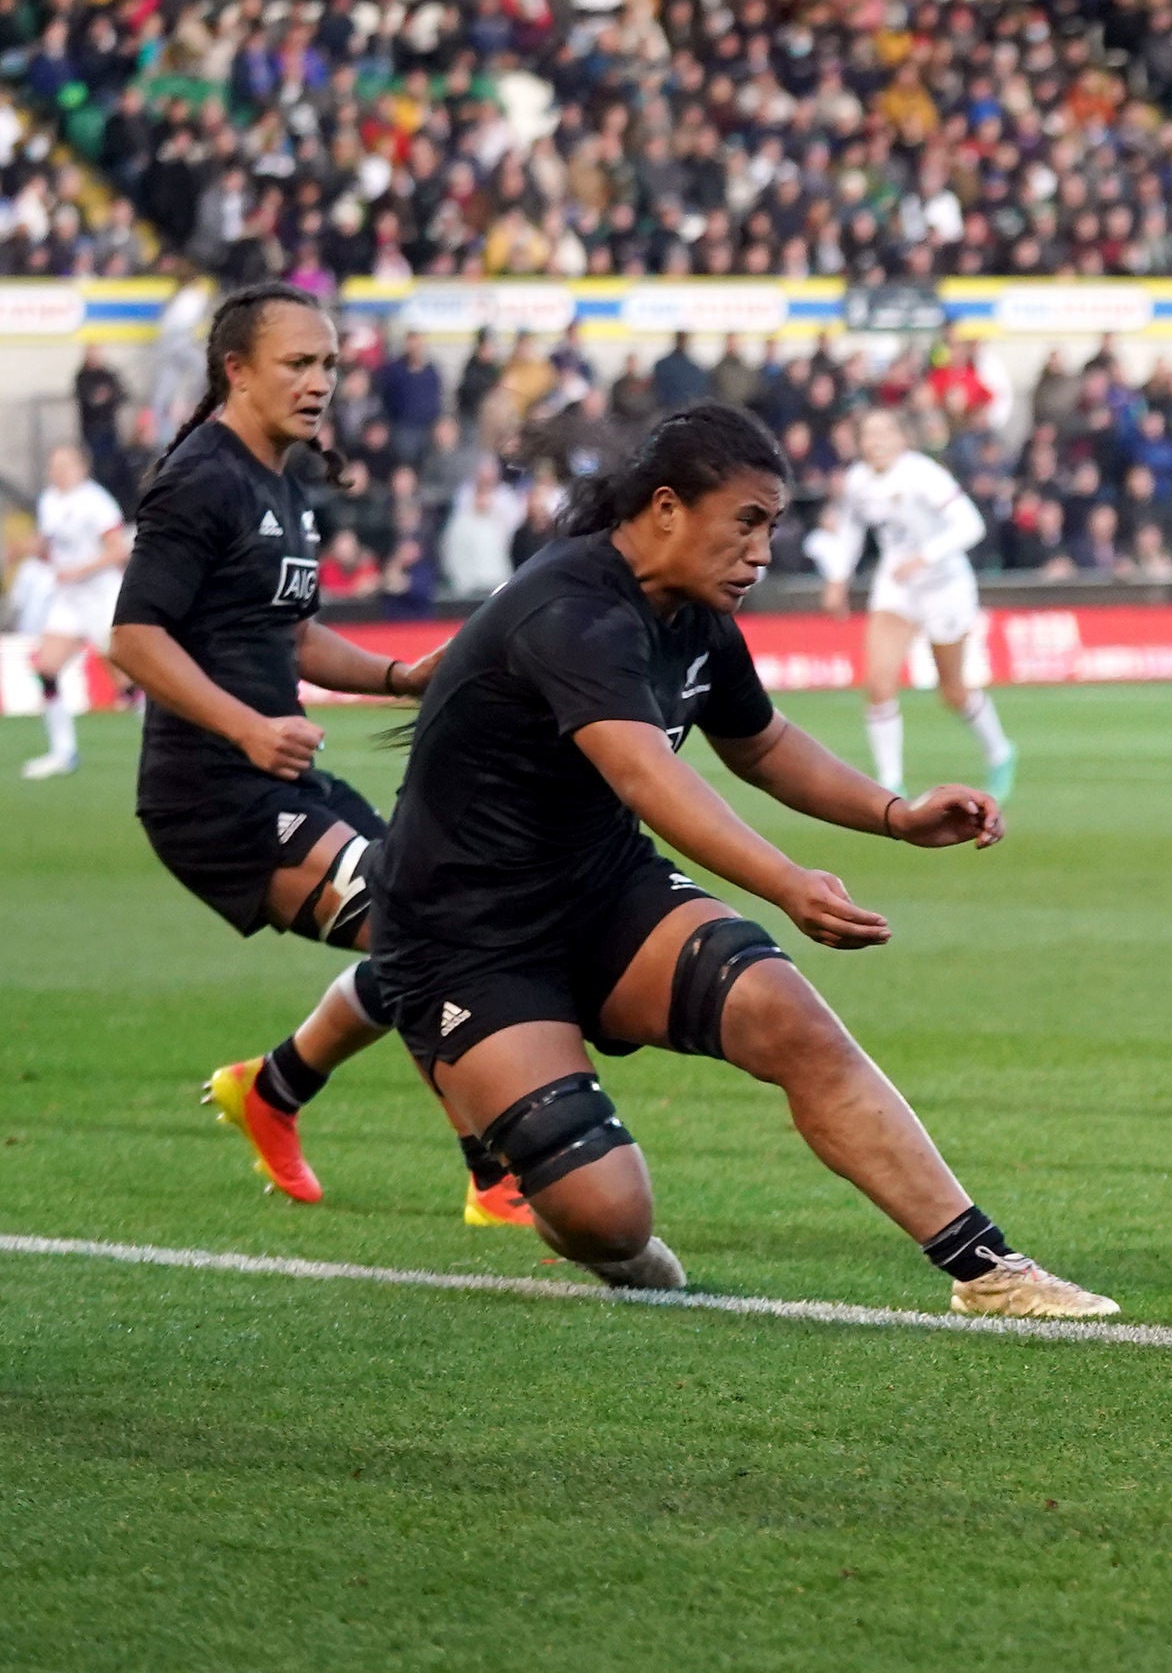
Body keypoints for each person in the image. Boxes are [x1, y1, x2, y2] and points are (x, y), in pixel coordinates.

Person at [369, 402, 1112, 1316]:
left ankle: (989, 1269)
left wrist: (894, 813)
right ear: (669, 507)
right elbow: (646, 776)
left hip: (598, 886)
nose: (762, 551)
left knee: (788, 1013)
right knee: (606, 1219)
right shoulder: (571, 609)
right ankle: (524, 1149)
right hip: (463, 935)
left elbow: (761, 744)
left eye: (774, 526)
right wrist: (785, 881)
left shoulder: (694, 610)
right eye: (747, 522)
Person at [111, 286, 522, 1225]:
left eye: (330, 365)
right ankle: (494, 1171)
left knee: (433, 914)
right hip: (211, 792)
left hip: (275, 777)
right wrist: (247, 727)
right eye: (298, 363)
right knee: (423, 927)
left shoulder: (281, 482)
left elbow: (294, 640)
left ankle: (275, 1091)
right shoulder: (202, 479)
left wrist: (399, 675)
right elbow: (133, 637)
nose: (320, 382)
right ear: (236, 370)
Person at [810, 406, 1015, 799]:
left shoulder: (924, 475)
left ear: (903, 438)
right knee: (878, 683)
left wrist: (927, 556)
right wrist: (838, 579)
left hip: (944, 584)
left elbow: (970, 525)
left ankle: (1000, 752)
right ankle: (890, 784)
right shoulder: (856, 481)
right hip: (897, 585)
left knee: (952, 690)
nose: (877, 440)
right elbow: (852, 529)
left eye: (885, 430)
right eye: (869, 433)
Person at [18, 441, 126, 779]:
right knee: (47, 667)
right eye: (53, 466)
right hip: (69, 600)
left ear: (81, 467)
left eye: (64, 465)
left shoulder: (96, 502)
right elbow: (50, 545)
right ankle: (62, 752)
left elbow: (118, 551)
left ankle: (167, 752)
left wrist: (79, 570)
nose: (57, 472)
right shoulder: (49, 500)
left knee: (129, 680)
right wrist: (27, 552)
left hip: (102, 596)